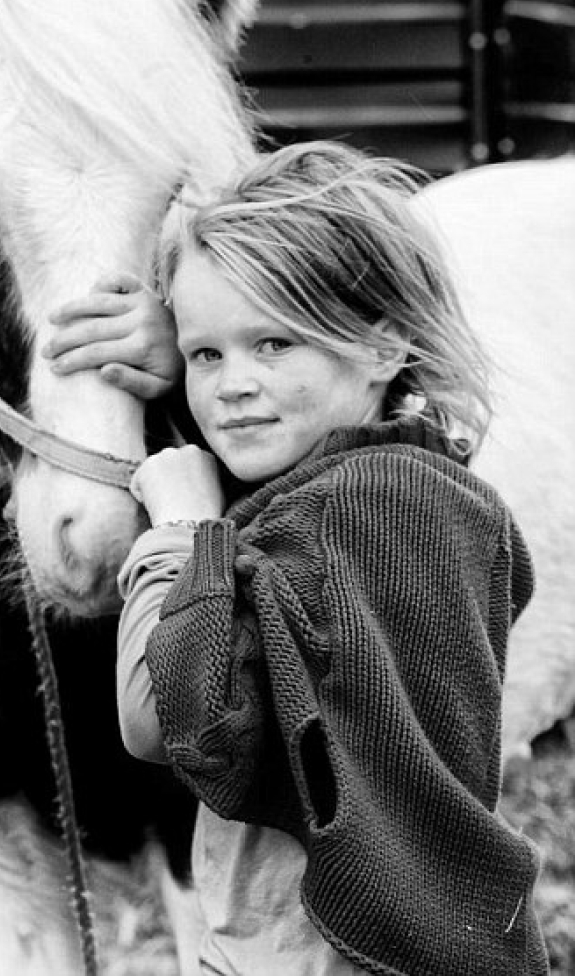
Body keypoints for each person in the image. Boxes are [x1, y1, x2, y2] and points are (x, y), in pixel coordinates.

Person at [45, 142, 549, 976]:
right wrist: (202, 376)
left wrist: (178, 528)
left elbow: (167, 722)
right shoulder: (424, 494)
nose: (231, 385)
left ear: (383, 347)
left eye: (274, 344)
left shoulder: (339, 513)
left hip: (319, 949)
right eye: (207, 354)